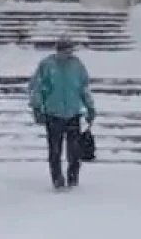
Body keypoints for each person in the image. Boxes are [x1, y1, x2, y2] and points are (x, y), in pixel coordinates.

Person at [29, 34, 96, 190]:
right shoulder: (47, 65)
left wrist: (90, 107)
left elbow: (84, 88)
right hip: (53, 113)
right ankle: (57, 179)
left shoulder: (77, 65)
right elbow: (37, 88)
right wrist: (37, 107)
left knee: (74, 151)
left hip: (73, 113)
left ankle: (73, 178)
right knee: (55, 150)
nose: (67, 53)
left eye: (69, 49)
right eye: (64, 49)